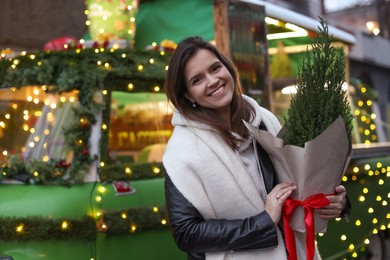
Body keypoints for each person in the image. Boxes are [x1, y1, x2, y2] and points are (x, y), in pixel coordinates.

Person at [162, 36, 350, 260]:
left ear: (227, 68)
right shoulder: (182, 152)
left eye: (215, 68)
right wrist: (263, 222)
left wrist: (336, 202)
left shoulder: (264, 119)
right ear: (186, 94)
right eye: (197, 80)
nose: (212, 80)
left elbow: (298, 181)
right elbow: (187, 234)